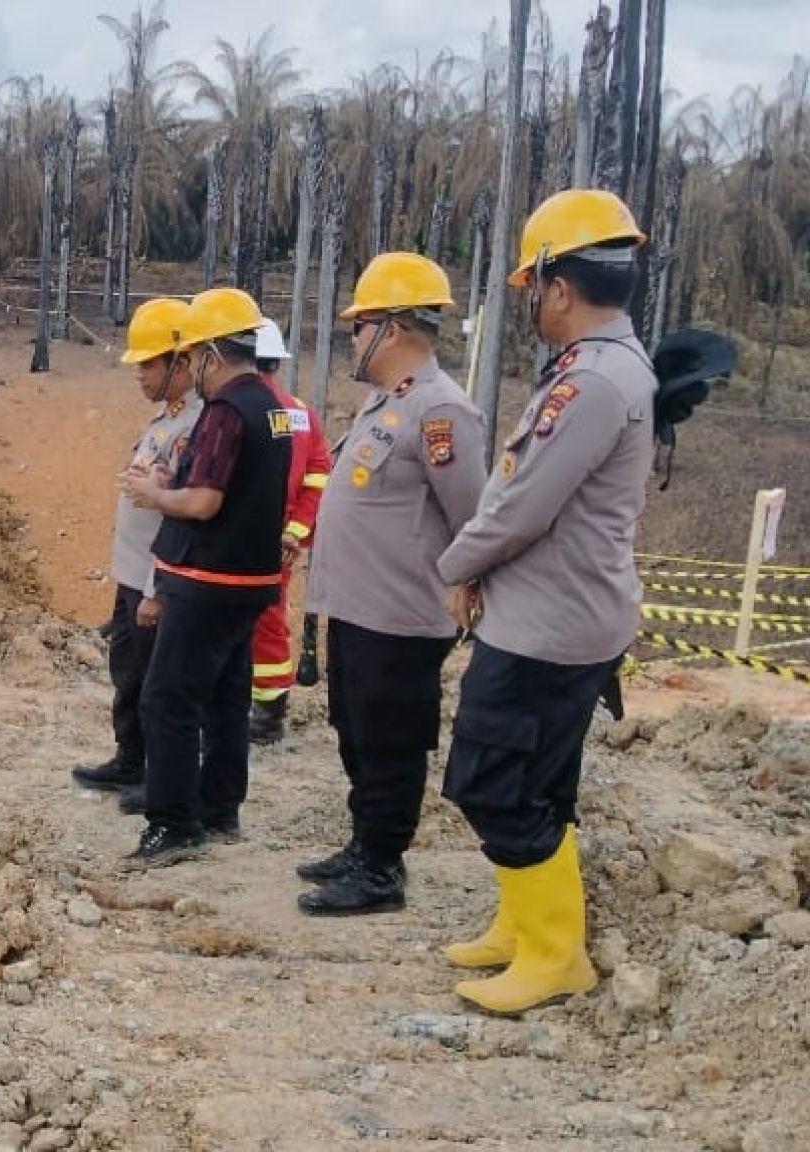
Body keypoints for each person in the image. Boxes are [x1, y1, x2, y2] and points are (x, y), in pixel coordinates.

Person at [435, 188, 655, 1014]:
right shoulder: (596, 369)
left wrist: (457, 566)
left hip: (550, 625)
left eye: (534, 287)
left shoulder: (592, 382)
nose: (531, 302)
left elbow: (523, 506)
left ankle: (556, 955)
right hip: (556, 612)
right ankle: (523, 926)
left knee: (497, 778)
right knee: (537, 778)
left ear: (560, 288)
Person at [298, 252, 488, 916]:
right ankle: (364, 844)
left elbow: (472, 516)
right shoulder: (387, 405)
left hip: (401, 617)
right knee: (355, 731)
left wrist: (466, 587)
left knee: (390, 743)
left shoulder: (441, 411)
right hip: (357, 610)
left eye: (360, 326)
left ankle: (381, 868)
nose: (353, 340)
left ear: (394, 328)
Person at [120, 287, 294, 869]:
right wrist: (173, 480)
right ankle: (220, 806)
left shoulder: (225, 411)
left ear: (213, 354)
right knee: (226, 696)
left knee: (167, 698)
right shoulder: (272, 406)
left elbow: (205, 502)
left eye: (194, 356)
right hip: (250, 580)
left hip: (208, 578)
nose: (190, 367)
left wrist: (155, 495)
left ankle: (173, 824)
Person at [71, 297, 200, 799]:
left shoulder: (194, 427)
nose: (139, 374)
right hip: (132, 573)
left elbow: (184, 517)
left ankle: (159, 776)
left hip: (155, 578)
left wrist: (155, 588)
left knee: (156, 682)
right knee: (128, 672)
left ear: (181, 363)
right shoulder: (166, 420)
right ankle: (130, 759)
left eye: (148, 364)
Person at [244, 319, 332, 745]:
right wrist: (296, 532)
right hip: (280, 542)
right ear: (277, 362)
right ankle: (267, 712)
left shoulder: (238, 409)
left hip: (241, 541)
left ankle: (262, 717)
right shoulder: (301, 413)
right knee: (269, 618)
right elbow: (318, 474)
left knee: (239, 622)